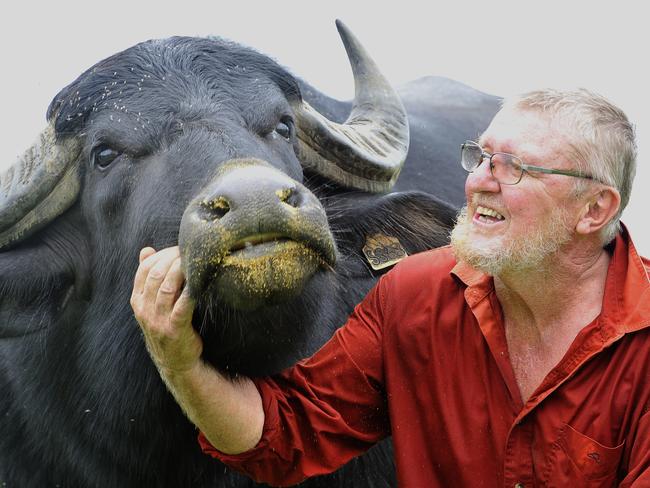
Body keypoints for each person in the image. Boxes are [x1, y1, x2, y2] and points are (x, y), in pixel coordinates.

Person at [131, 88, 650, 487]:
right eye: (480, 156)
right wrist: (179, 360)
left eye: (516, 167)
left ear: (594, 210)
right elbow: (285, 435)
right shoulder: (415, 296)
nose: (479, 182)